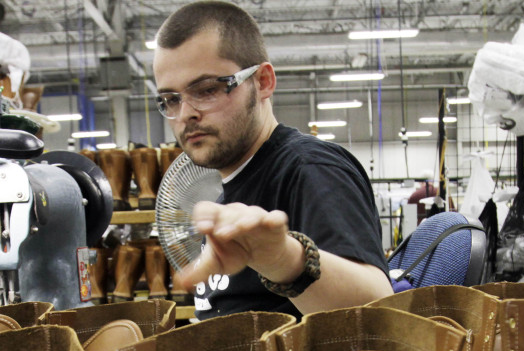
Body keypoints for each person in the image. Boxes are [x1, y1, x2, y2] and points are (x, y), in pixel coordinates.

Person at [152, 0, 392, 318]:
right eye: (170, 99)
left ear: (263, 82)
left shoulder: (309, 170)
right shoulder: (229, 197)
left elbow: (380, 312)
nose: (185, 114)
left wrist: (285, 260)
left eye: (207, 90)